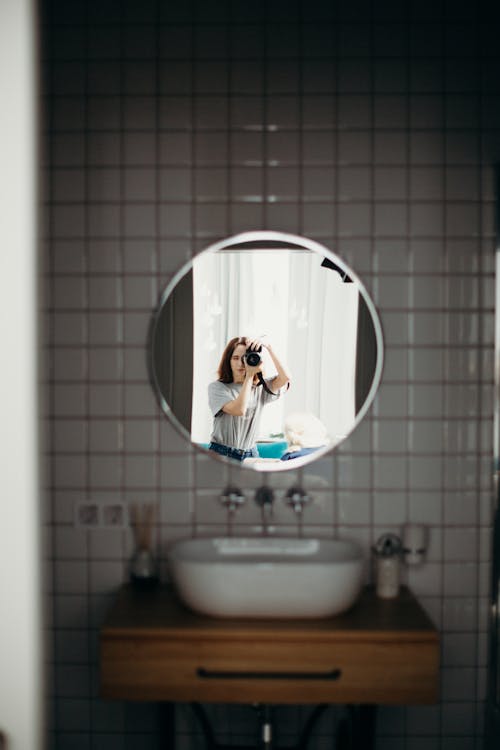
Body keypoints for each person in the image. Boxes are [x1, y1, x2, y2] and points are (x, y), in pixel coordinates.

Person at [208, 336, 291, 462]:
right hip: (221, 453)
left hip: (251, 455)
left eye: (245, 358)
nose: (241, 363)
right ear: (228, 361)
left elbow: (285, 378)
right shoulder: (217, 387)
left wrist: (269, 348)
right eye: (235, 358)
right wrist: (250, 376)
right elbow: (239, 410)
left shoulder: (260, 387)